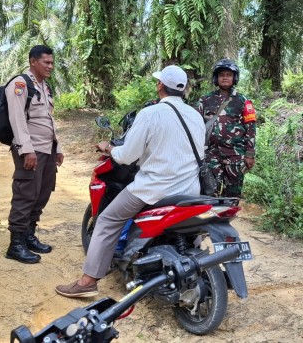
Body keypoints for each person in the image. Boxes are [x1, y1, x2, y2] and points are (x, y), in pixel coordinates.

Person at [55, 65, 204, 298]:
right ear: (184, 90)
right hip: (190, 190)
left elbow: (127, 156)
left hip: (153, 189)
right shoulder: (195, 115)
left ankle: (87, 281)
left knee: (106, 220)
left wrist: (109, 148)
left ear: (159, 86)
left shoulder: (150, 113)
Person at [4, 45, 64, 264]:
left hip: (47, 149)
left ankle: (29, 236)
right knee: (26, 194)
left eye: (52, 62)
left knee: (42, 193)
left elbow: (48, 119)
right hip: (30, 150)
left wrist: (57, 147)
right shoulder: (20, 85)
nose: (50, 66)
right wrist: (26, 149)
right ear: (33, 62)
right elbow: (17, 119)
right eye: (46, 62)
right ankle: (16, 244)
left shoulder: (44, 87)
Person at [196, 58, 256, 197]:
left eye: (228, 75)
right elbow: (195, 124)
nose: (225, 78)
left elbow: (251, 128)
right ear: (216, 78)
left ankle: (228, 219)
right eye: (221, 75)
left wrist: (250, 154)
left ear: (234, 78)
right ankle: (211, 219)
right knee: (209, 193)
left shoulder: (243, 101)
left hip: (235, 155)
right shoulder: (205, 100)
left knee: (232, 196)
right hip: (211, 155)